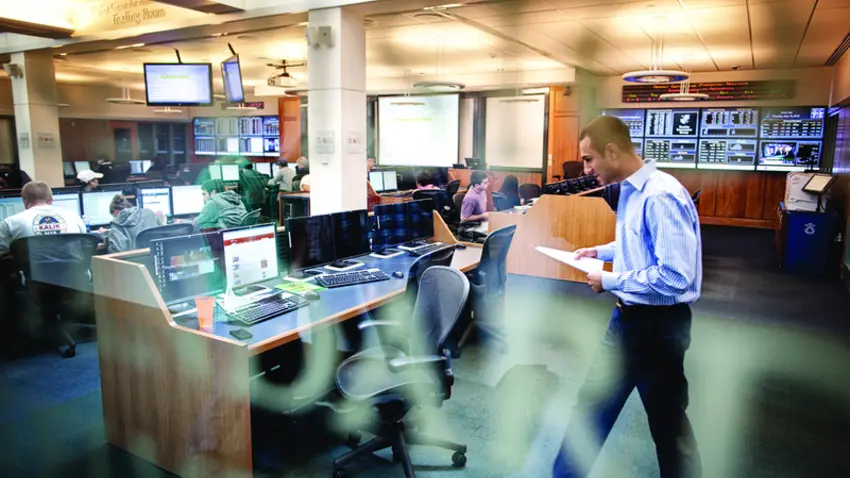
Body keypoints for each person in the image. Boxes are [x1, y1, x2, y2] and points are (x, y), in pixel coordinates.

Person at [553, 115, 701, 478]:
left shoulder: (661, 194)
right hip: (628, 320)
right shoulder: (634, 190)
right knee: (589, 410)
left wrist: (610, 279)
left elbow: (674, 277)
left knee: (668, 426)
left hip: (658, 329)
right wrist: (600, 252)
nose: (586, 169)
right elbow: (639, 243)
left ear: (613, 150)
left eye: (589, 159)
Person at [0, 181, 87, 256]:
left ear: (25, 201)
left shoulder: (10, 222)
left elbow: (2, 252)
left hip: (32, 274)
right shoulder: (74, 217)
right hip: (75, 274)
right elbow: (84, 245)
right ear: (51, 199)